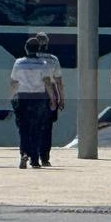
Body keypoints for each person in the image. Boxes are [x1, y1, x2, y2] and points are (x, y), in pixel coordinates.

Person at [8, 36, 56, 169]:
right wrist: (52, 99)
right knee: (36, 128)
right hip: (39, 99)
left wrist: (11, 96)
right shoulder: (43, 64)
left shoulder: (18, 63)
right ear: (38, 48)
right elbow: (47, 82)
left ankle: (24, 153)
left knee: (23, 128)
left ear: (26, 48)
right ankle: (35, 160)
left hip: (22, 97)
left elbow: (14, 82)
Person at [33, 32, 64, 166]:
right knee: (47, 128)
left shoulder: (27, 59)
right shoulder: (53, 59)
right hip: (49, 94)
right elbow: (58, 82)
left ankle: (32, 155)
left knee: (33, 126)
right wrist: (61, 99)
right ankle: (44, 158)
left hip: (32, 93)